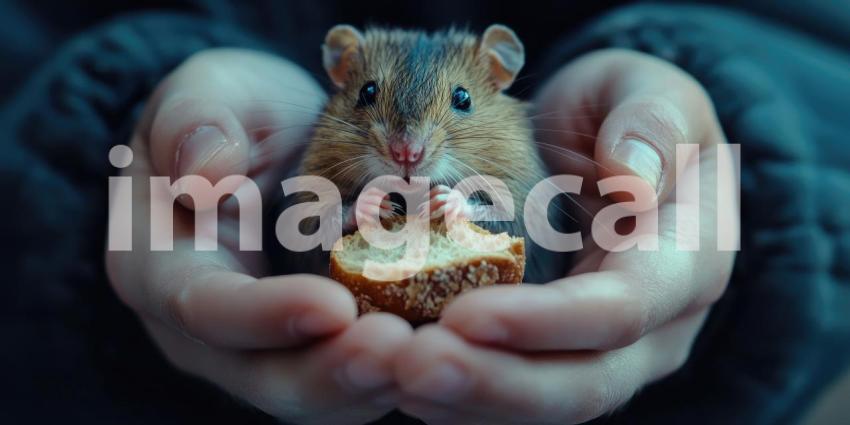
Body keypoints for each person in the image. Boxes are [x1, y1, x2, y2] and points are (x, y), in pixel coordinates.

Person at [2, 1, 849, 424]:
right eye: (369, 100)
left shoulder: (524, 151)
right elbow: (300, 234)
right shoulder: (319, 156)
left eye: (456, 104)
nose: (407, 143)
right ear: (342, 74)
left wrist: (755, 197)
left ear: (498, 76)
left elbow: (538, 241)